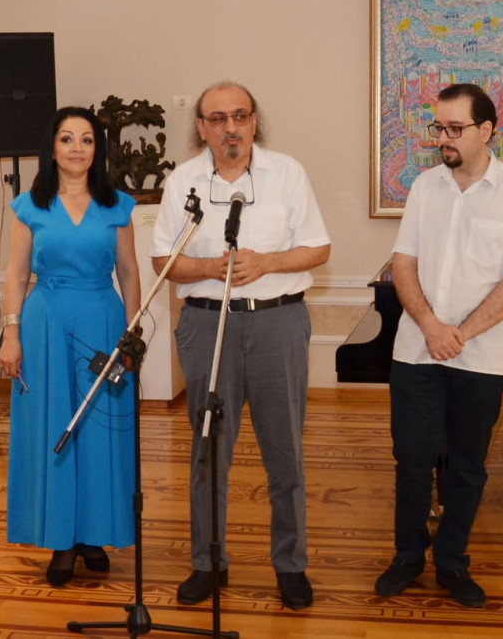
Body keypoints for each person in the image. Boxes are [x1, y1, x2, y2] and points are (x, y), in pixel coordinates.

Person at [150, 81, 330, 610]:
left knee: (285, 454)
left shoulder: (287, 173)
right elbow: (163, 261)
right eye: (218, 118)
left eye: (240, 116)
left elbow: (319, 248)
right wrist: (212, 267)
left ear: (254, 122)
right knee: (209, 452)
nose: (231, 127)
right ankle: (208, 562)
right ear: (201, 128)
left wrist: (267, 262)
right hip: (207, 326)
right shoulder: (182, 181)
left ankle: (290, 565)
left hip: (278, 324)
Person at [374, 84, 503, 607]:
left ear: (486, 130)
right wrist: (431, 325)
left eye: (455, 129)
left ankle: (451, 562)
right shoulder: (425, 187)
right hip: (417, 349)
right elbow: (402, 263)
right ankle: (408, 556)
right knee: (412, 461)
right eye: (438, 128)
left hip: (484, 355)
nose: (443, 139)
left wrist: (462, 334)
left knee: (467, 466)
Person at [0, 106, 141, 587]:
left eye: (87, 139)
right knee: (52, 426)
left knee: (100, 429)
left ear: (97, 149)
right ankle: (60, 537)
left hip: (103, 322)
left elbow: (129, 272)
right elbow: (16, 273)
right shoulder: (28, 206)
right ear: (52, 148)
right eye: (67, 139)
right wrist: (11, 333)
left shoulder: (117, 205)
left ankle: (94, 534)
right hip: (45, 325)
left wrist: (132, 333)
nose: (77, 148)